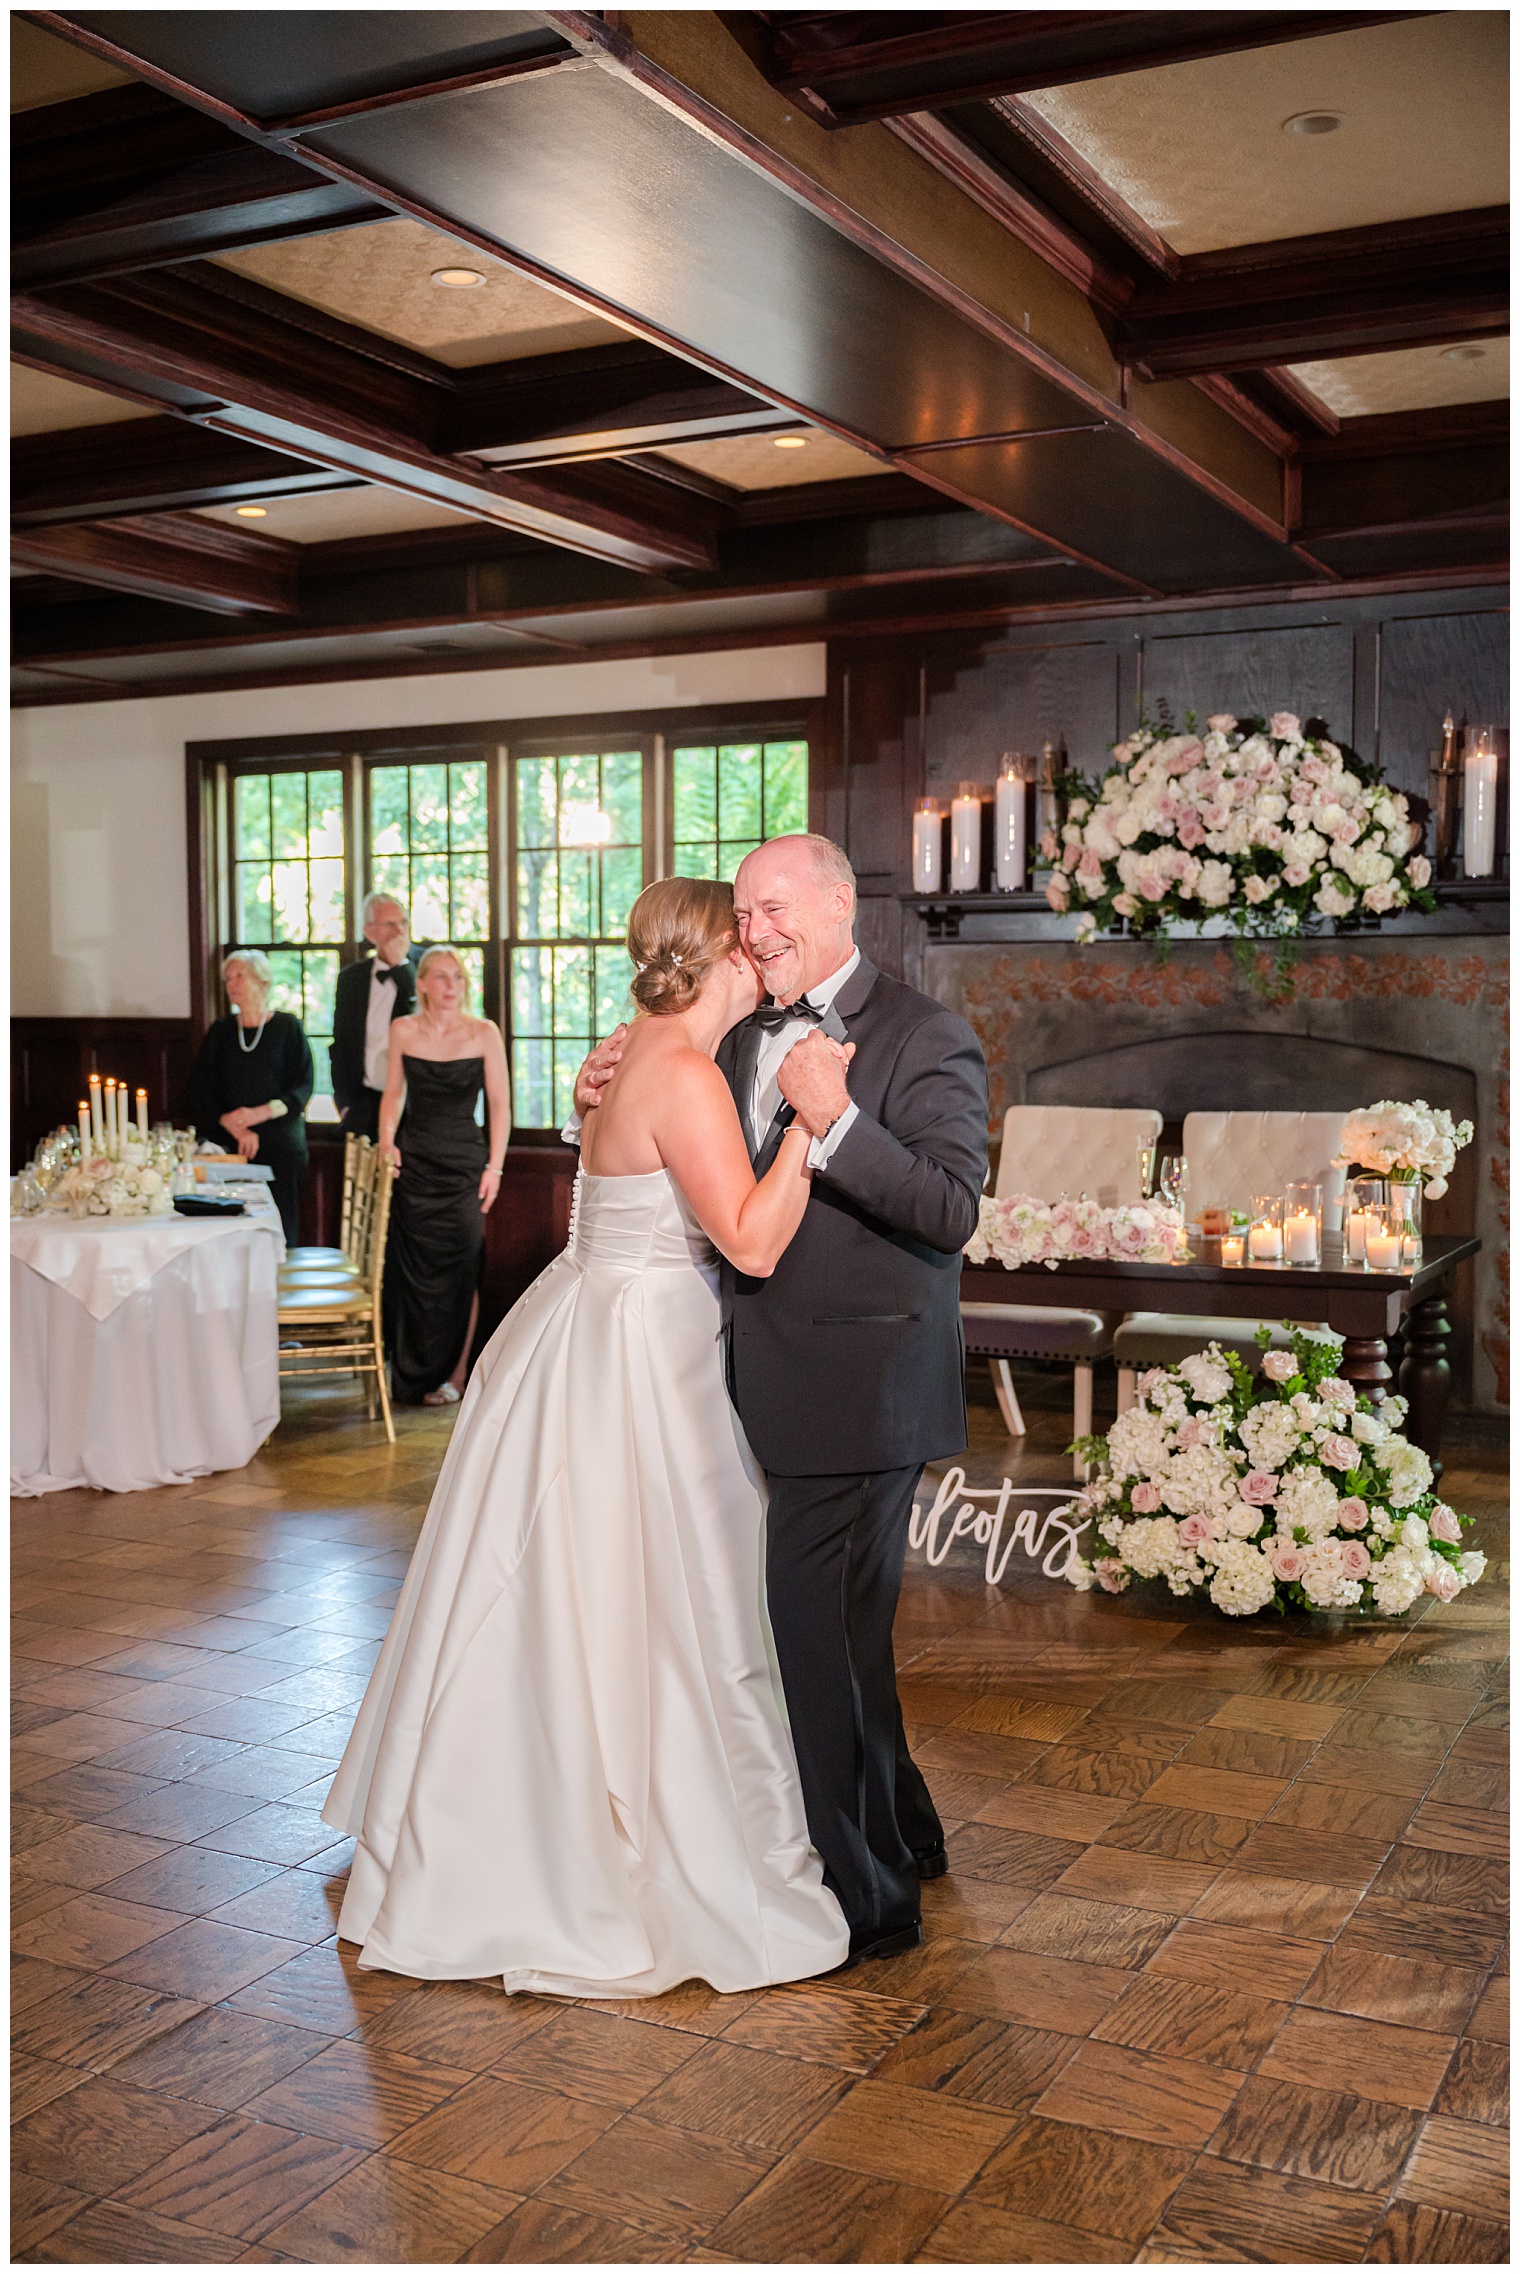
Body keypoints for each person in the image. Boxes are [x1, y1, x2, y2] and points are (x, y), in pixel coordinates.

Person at [324, 879, 850, 1993]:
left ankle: (517, 1816)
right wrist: (814, 1126)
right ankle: (629, 1852)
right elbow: (751, 1243)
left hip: (584, 1326)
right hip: (643, 1354)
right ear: (718, 958)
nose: (764, 948)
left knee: (578, 1589)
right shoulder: (683, 1073)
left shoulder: (627, 1057)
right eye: (746, 938)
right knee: (665, 1598)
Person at [575, 836, 988, 1965]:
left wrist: (837, 1124)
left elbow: (951, 1211)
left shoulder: (922, 1032)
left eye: (773, 907)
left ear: (840, 904)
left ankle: (870, 1901)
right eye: (744, 913)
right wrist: (597, 1091)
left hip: (859, 1387)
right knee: (838, 1639)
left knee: (815, 1639)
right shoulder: (731, 1031)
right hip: (743, 1382)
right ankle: (905, 1831)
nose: (754, 930)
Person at [379, 946, 510, 1408]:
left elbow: (499, 1105)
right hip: (413, 1167)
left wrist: (494, 1167)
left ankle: (455, 1375)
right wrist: (386, 1139)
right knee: (412, 1273)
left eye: (457, 976)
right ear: (422, 984)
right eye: (440, 976)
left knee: (463, 1269)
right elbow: (393, 1094)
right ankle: (411, 1375)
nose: (451, 985)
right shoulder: (402, 1030)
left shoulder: (483, 1033)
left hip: (464, 1169)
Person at [187, 949, 314, 1244]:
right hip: (228, 1141)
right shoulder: (220, 1031)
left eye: (239, 976)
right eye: (228, 978)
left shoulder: (287, 1027)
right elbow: (200, 1088)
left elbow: (303, 1086)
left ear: (263, 981)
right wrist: (234, 1124)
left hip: (279, 1142)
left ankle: (280, 1272)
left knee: (280, 1222)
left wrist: (260, 1113)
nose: (232, 983)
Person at [330, 893, 417, 1140]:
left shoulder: (424, 968)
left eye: (404, 923)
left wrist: (401, 966)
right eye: (390, 924)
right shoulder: (351, 979)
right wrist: (345, 1103)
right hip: (364, 1103)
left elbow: (426, 1017)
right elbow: (341, 1045)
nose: (399, 932)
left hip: (413, 1106)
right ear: (370, 932)